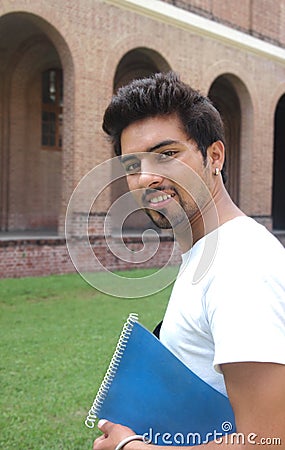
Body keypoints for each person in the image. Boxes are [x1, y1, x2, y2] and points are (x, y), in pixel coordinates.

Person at [93, 72, 285, 449]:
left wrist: (130, 448)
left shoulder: (239, 265)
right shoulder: (209, 252)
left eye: (167, 155)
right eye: (133, 166)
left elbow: (268, 441)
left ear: (214, 155)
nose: (147, 178)